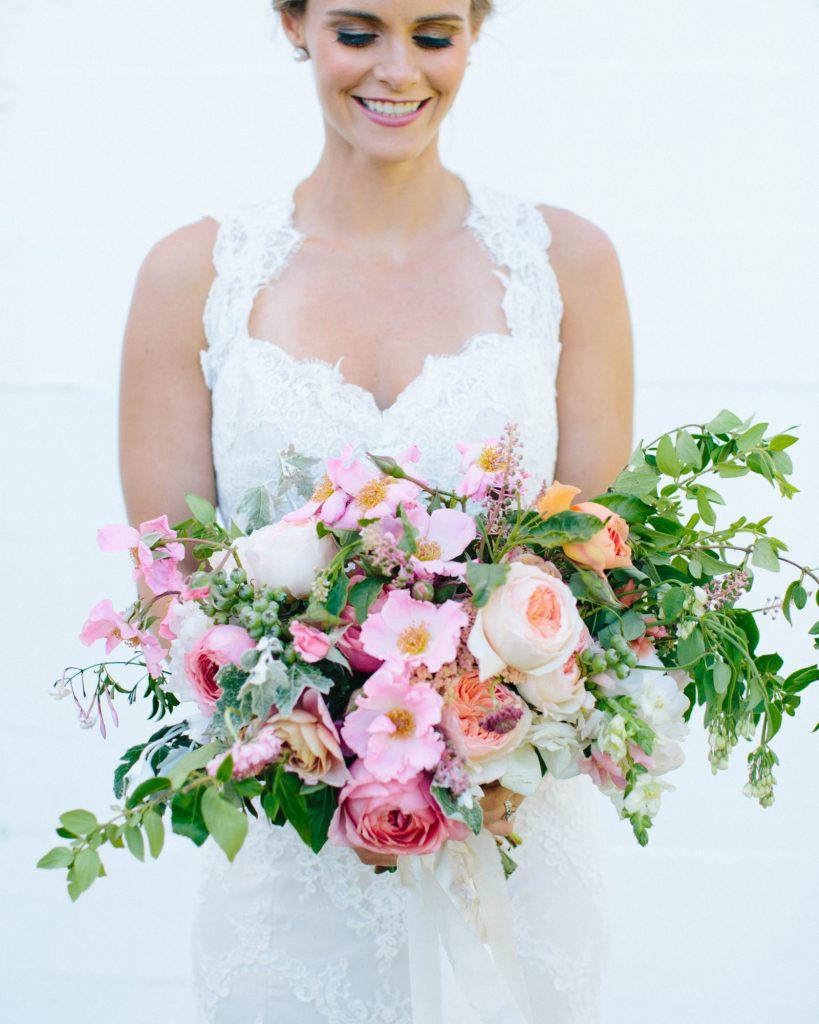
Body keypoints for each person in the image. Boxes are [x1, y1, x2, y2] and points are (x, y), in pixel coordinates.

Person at [118, 1, 633, 1020]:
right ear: (295, 24)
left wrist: (476, 715)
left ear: (476, 33)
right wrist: (315, 705)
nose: (398, 71)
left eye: (434, 34)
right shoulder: (195, 277)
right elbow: (174, 588)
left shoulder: (566, 266)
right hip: (295, 844)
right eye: (359, 33)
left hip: (511, 830)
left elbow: (595, 575)